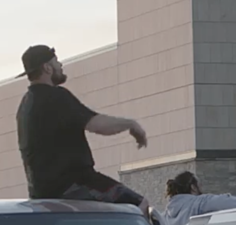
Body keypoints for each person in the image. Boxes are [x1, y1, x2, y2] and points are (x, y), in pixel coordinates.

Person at [15, 45, 151, 215]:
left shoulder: (25, 106)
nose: (60, 65)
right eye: (56, 61)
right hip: (75, 183)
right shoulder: (56, 97)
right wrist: (131, 124)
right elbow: (97, 124)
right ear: (47, 68)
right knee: (138, 206)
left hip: (41, 193)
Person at [163, 171, 236, 225]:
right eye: (200, 185)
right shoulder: (198, 203)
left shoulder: (165, 215)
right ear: (193, 187)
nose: (202, 188)